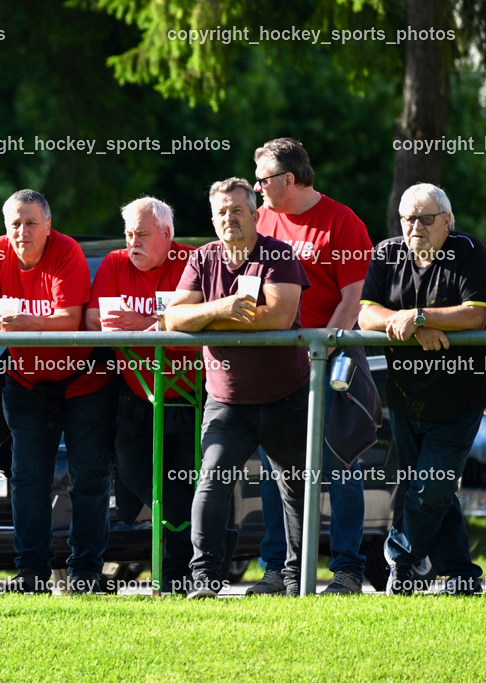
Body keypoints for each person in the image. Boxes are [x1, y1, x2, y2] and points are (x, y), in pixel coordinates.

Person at [165, 178, 310, 599]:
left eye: (237, 210)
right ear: (213, 218)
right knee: (211, 481)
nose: (229, 218)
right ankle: (205, 579)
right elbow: (173, 320)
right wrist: (225, 307)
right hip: (226, 401)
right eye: (222, 212)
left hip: (287, 396)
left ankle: (295, 578)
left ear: (255, 213)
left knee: (297, 489)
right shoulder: (202, 259)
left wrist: (205, 317)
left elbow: (278, 318)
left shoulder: (279, 256)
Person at [0, 189, 115, 595]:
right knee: (28, 479)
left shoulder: (66, 251)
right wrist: (0, 323)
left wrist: (20, 320)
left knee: (89, 478)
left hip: (84, 381)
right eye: (15, 223)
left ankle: (86, 572)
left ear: (48, 226)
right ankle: (30, 573)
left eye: (31, 222)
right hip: (26, 383)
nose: (22, 231)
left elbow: (69, 320)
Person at [251, 137, 374, 595]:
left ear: (288, 179)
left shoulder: (342, 221)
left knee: (340, 467)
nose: (257, 189)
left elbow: (353, 297)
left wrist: (326, 350)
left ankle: (346, 570)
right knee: (276, 471)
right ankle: (278, 569)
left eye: (263, 180)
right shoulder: (261, 220)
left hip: (331, 359)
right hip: (276, 367)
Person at [358, 183, 486, 596]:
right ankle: (463, 576)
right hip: (404, 395)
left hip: (459, 397)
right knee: (432, 489)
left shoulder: (468, 251)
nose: (416, 226)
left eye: (426, 219)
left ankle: (401, 559)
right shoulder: (386, 252)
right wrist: (414, 326)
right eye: (408, 218)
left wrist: (418, 317)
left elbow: (474, 315)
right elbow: (366, 315)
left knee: (430, 485)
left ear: (447, 221)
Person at [86, 196, 197, 594]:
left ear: (166, 234)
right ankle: (175, 552)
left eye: (142, 234)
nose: (133, 242)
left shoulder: (192, 262)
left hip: (189, 396)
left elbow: (201, 326)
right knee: (140, 476)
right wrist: (154, 326)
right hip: (137, 395)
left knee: (186, 482)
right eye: (129, 233)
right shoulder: (115, 263)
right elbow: (94, 320)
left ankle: (177, 574)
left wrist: (141, 324)